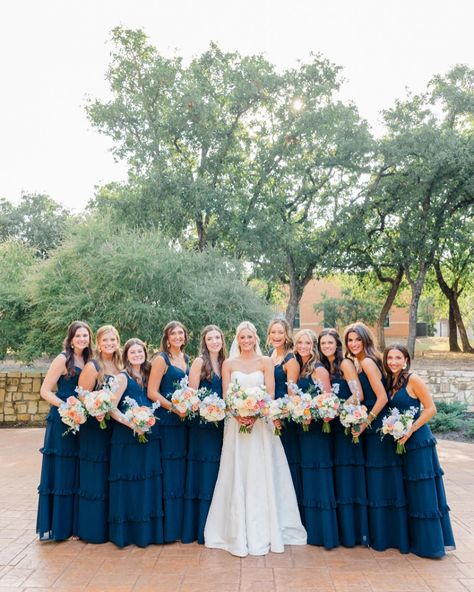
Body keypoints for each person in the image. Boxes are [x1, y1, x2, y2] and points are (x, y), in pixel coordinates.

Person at [204, 321, 307, 556]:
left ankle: (267, 529)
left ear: (256, 339)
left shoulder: (266, 362)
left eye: (250, 337)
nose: (246, 341)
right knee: (237, 471)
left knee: (262, 471)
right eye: (242, 337)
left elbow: (270, 393)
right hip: (236, 424)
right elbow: (226, 396)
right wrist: (239, 414)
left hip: (261, 423)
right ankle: (235, 531)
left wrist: (256, 411)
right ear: (237, 339)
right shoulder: (229, 363)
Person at [383, 344, 455, 557]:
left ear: (406, 359)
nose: (393, 362)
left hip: (418, 441)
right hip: (400, 442)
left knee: (423, 492)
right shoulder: (391, 381)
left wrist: (410, 429)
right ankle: (414, 539)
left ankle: (430, 545)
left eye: (398, 358)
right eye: (390, 358)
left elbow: (431, 408)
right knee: (408, 491)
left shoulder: (413, 379)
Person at [345, 322, 409, 553]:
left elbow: (381, 398)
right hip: (374, 426)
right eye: (350, 340)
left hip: (375, 427)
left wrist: (364, 423)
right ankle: (385, 534)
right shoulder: (364, 361)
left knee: (381, 481)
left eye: (357, 340)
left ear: (365, 340)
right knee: (380, 481)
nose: (353, 344)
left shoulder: (368, 362)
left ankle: (387, 537)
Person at [36, 321, 93, 541]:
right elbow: (45, 391)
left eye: (85, 336)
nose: (81, 339)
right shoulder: (63, 359)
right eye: (78, 336)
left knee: (76, 470)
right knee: (62, 470)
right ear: (70, 338)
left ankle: (73, 525)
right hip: (62, 420)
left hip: (82, 421)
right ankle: (57, 526)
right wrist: (67, 407)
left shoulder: (88, 360)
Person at [108, 338, 164, 547]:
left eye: (140, 352)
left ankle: (146, 533)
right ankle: (127, 534)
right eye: (133, 353)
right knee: (128, 483)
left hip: (148, 436)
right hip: (126, 438)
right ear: (126, 355)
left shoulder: (147, 375)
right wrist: (131, 424)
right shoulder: (122, 377)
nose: (137, 355)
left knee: (145, 483)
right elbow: (111, 408)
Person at [317, 328, 369, 547]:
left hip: (347, 426)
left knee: (349, 477)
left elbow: (358, 395)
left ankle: (354, 533)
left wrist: (336, 408)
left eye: (330, 343)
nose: (326, 346)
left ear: (337, 344)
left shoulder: (345, 364)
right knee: (338, 476)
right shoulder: (324, 366)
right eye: (323, 343)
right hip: (334, 427)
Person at [75, 324, 121, 543]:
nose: (109, 344)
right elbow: (83, 395)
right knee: (94, 476)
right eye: (105, 341)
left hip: (114, 427)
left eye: (113, 340)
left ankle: (108, 528)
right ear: (98, 343)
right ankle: (91, 529)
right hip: (95, 427)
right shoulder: (93, 366)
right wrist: (95, 410)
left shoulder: (120, 364)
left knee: (109, 476)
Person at [294, 329, 339, 549]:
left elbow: (328, 405)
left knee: (319, 478)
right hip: (303, 430)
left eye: (308, 343)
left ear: (314, 346)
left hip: (317, 432)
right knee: (307, 478)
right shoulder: (301, 367)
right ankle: (310, 530)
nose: (303, 346)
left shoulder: (319, 369)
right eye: (300, 342)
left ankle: (325, 534)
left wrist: (310, 412)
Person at [182, 325, 226, 544]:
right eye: (210, 338)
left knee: (218, 470)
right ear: (204, 341)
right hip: (202, 425)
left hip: (221, 426)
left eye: (218, 337)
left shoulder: (224, 363)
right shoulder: (200, 362)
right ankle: (199, 527)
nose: (215, 341)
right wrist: (208, 409)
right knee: (204, 471)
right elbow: (191, 394)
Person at [148, 321, 190, 542]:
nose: (177, 336)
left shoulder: (187, 359)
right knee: (169, 470)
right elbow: (152, 391)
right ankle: (167, 528)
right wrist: (174, 407)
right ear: (166, 337)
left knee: (181, 469)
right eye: (173, 333)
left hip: (184, 421)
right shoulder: (160, 359)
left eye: (180, 333)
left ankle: (180, 525)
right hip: (167, 420)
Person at [267, 318, 302, 505]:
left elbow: (292, 395)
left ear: (287, 334)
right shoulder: (270, 355)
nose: (277, 336)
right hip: (269, 415)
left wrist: (279, 415)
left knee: (287, 461)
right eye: (273, 332)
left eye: (280, 332)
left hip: (283, 418)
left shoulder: (291, 359)